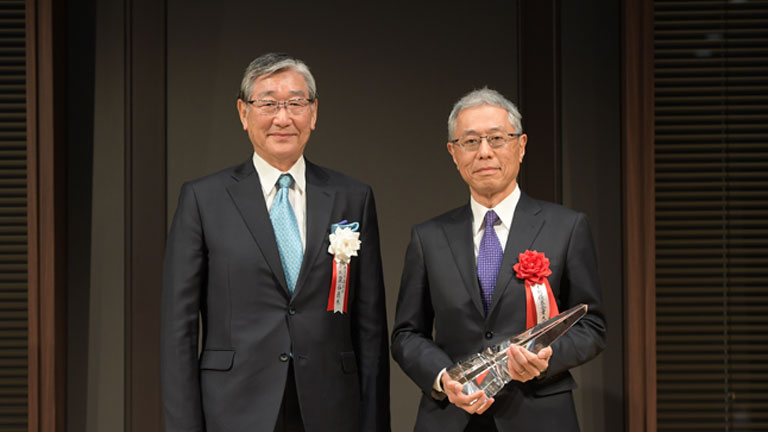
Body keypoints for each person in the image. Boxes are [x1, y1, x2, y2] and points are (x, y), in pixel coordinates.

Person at [161, 53, 390, 432]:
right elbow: (178, 330)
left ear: (313, 114)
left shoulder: (352, 197)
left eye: (296, 104)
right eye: (267, 103)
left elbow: (370, 328)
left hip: (331, 409)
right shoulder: (204, 199)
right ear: (243, 113)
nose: (282, 118)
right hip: (234, 408)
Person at [391, 88, 606, 432]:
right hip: (452, 415)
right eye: (470, 142)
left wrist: (546, 359)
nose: (484, 152)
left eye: (496, 138)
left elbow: (591, 325)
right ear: (453, 153)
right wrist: (445, 378)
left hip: (539, 414)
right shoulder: (428, 237)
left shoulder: (566, 226)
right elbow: (406, 333)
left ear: (521, 146)